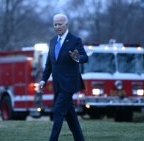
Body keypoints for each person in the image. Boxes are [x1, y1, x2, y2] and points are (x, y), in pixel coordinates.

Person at [39, 13, 88, 141]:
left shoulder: (75, 40)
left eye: (59, 24)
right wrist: (43, 79)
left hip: (70, 84)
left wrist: (76, 58)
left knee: (58, 111)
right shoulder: (53, 41)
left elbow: (85, 57)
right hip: (58, 85)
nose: (57, 27)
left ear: (66, 24)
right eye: (55, 24)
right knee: (70, 115)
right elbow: (49, 64)